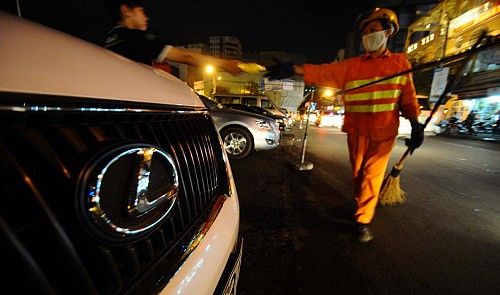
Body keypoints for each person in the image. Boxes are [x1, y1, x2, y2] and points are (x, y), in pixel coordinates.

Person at [265, 8, 425, 243]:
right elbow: (323, 72)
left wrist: (415, 125)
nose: (369, 35)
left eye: (374, 30)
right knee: (359, 173)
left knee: (372, 175)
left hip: (383, 134)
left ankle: (363, 220)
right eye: (366, 31)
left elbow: (408, 99)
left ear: (388, 32)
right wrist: (293, 69)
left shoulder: (401, 64)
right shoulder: (352, 66)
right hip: (357, 131)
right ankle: (363, 202)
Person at [103, 0, 245, 76]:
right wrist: (225, 64)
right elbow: (186, 56)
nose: (146, 17)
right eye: (141, 11)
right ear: (126, 10)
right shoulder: (139, 38)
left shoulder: (107, 41)